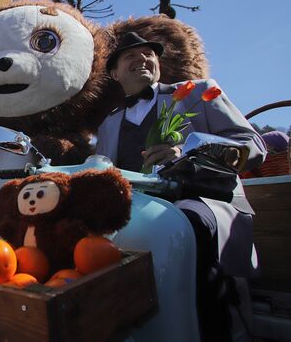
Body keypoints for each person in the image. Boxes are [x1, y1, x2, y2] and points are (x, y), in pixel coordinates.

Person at [96, 32, 267, 342]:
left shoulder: (199, 92)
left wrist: (190, 153)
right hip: (135, 212)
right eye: (130, 56)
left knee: (184, 224)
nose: (142, 59)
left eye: (149, 53)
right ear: (114, 73)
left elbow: (252, 144)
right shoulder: (108, 124)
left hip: (205, 202)